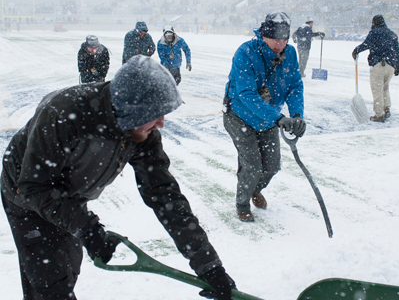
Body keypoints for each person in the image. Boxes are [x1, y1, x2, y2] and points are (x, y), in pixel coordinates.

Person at [1, 56, 236, 300]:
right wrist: (86, 226)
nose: (162, 123)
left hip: (68, 194)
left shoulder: (142, 133)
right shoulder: (63, 113)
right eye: (156, 114)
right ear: (131, 110)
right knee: (51, 281)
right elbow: (33, 187)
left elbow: (165, 195)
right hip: (25, 195)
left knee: (68, 267)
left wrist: (208, 265)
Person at [223, 12, 306, 222]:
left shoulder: (290, 54)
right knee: (251, 164)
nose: (280, 44)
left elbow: (295, 85)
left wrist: (297, 116)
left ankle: (254, 189)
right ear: (264, 35)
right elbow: (246, 94)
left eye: (285, 39)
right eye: (276, 39)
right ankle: (242, 203)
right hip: (239, 115)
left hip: (268, 118)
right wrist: (278, 118)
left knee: (272, 165)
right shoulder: (246, 52)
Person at [352, 15, 399, 122]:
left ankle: (379, 114)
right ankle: (386, 108)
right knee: (385, 87)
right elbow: (397, 51)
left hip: (378, 64)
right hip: (390, 65)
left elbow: (366, 44)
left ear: (374, 22)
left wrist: (356, 50)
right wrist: (397, 66)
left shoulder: (374, 32)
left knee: (377, 89)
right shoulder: (392, 34)